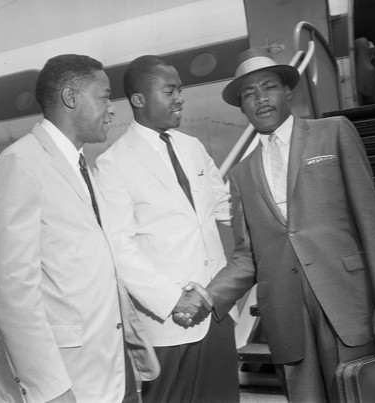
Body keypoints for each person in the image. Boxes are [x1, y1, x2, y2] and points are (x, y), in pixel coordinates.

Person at [188, 47, 375, 402]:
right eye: (248, 93)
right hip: (287, 315)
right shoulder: (242, 174)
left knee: (361, 395)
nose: (260, 99)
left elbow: (371, 220)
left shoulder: (333, 132)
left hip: (346, 302)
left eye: (268, 87)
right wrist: (211, 297)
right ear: (241, 106)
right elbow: (246, 256)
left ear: (287, 90)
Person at [0, 54, 157, 403]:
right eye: (104, 96)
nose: (112, 109)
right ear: (70, 97)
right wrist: (49, 388)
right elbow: (11, 291)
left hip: (106, 371)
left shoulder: (82, 167)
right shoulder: (21, 163)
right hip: (63, 382)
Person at [93, 55, 239, 403]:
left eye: (180, 90)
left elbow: (225, 209)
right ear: (139, 99)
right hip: (170, 323)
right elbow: (120, 248)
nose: (180, 98)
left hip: (216, 310)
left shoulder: (192, 147)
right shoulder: (112, 164)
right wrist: (174, 300)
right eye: (170, 90)